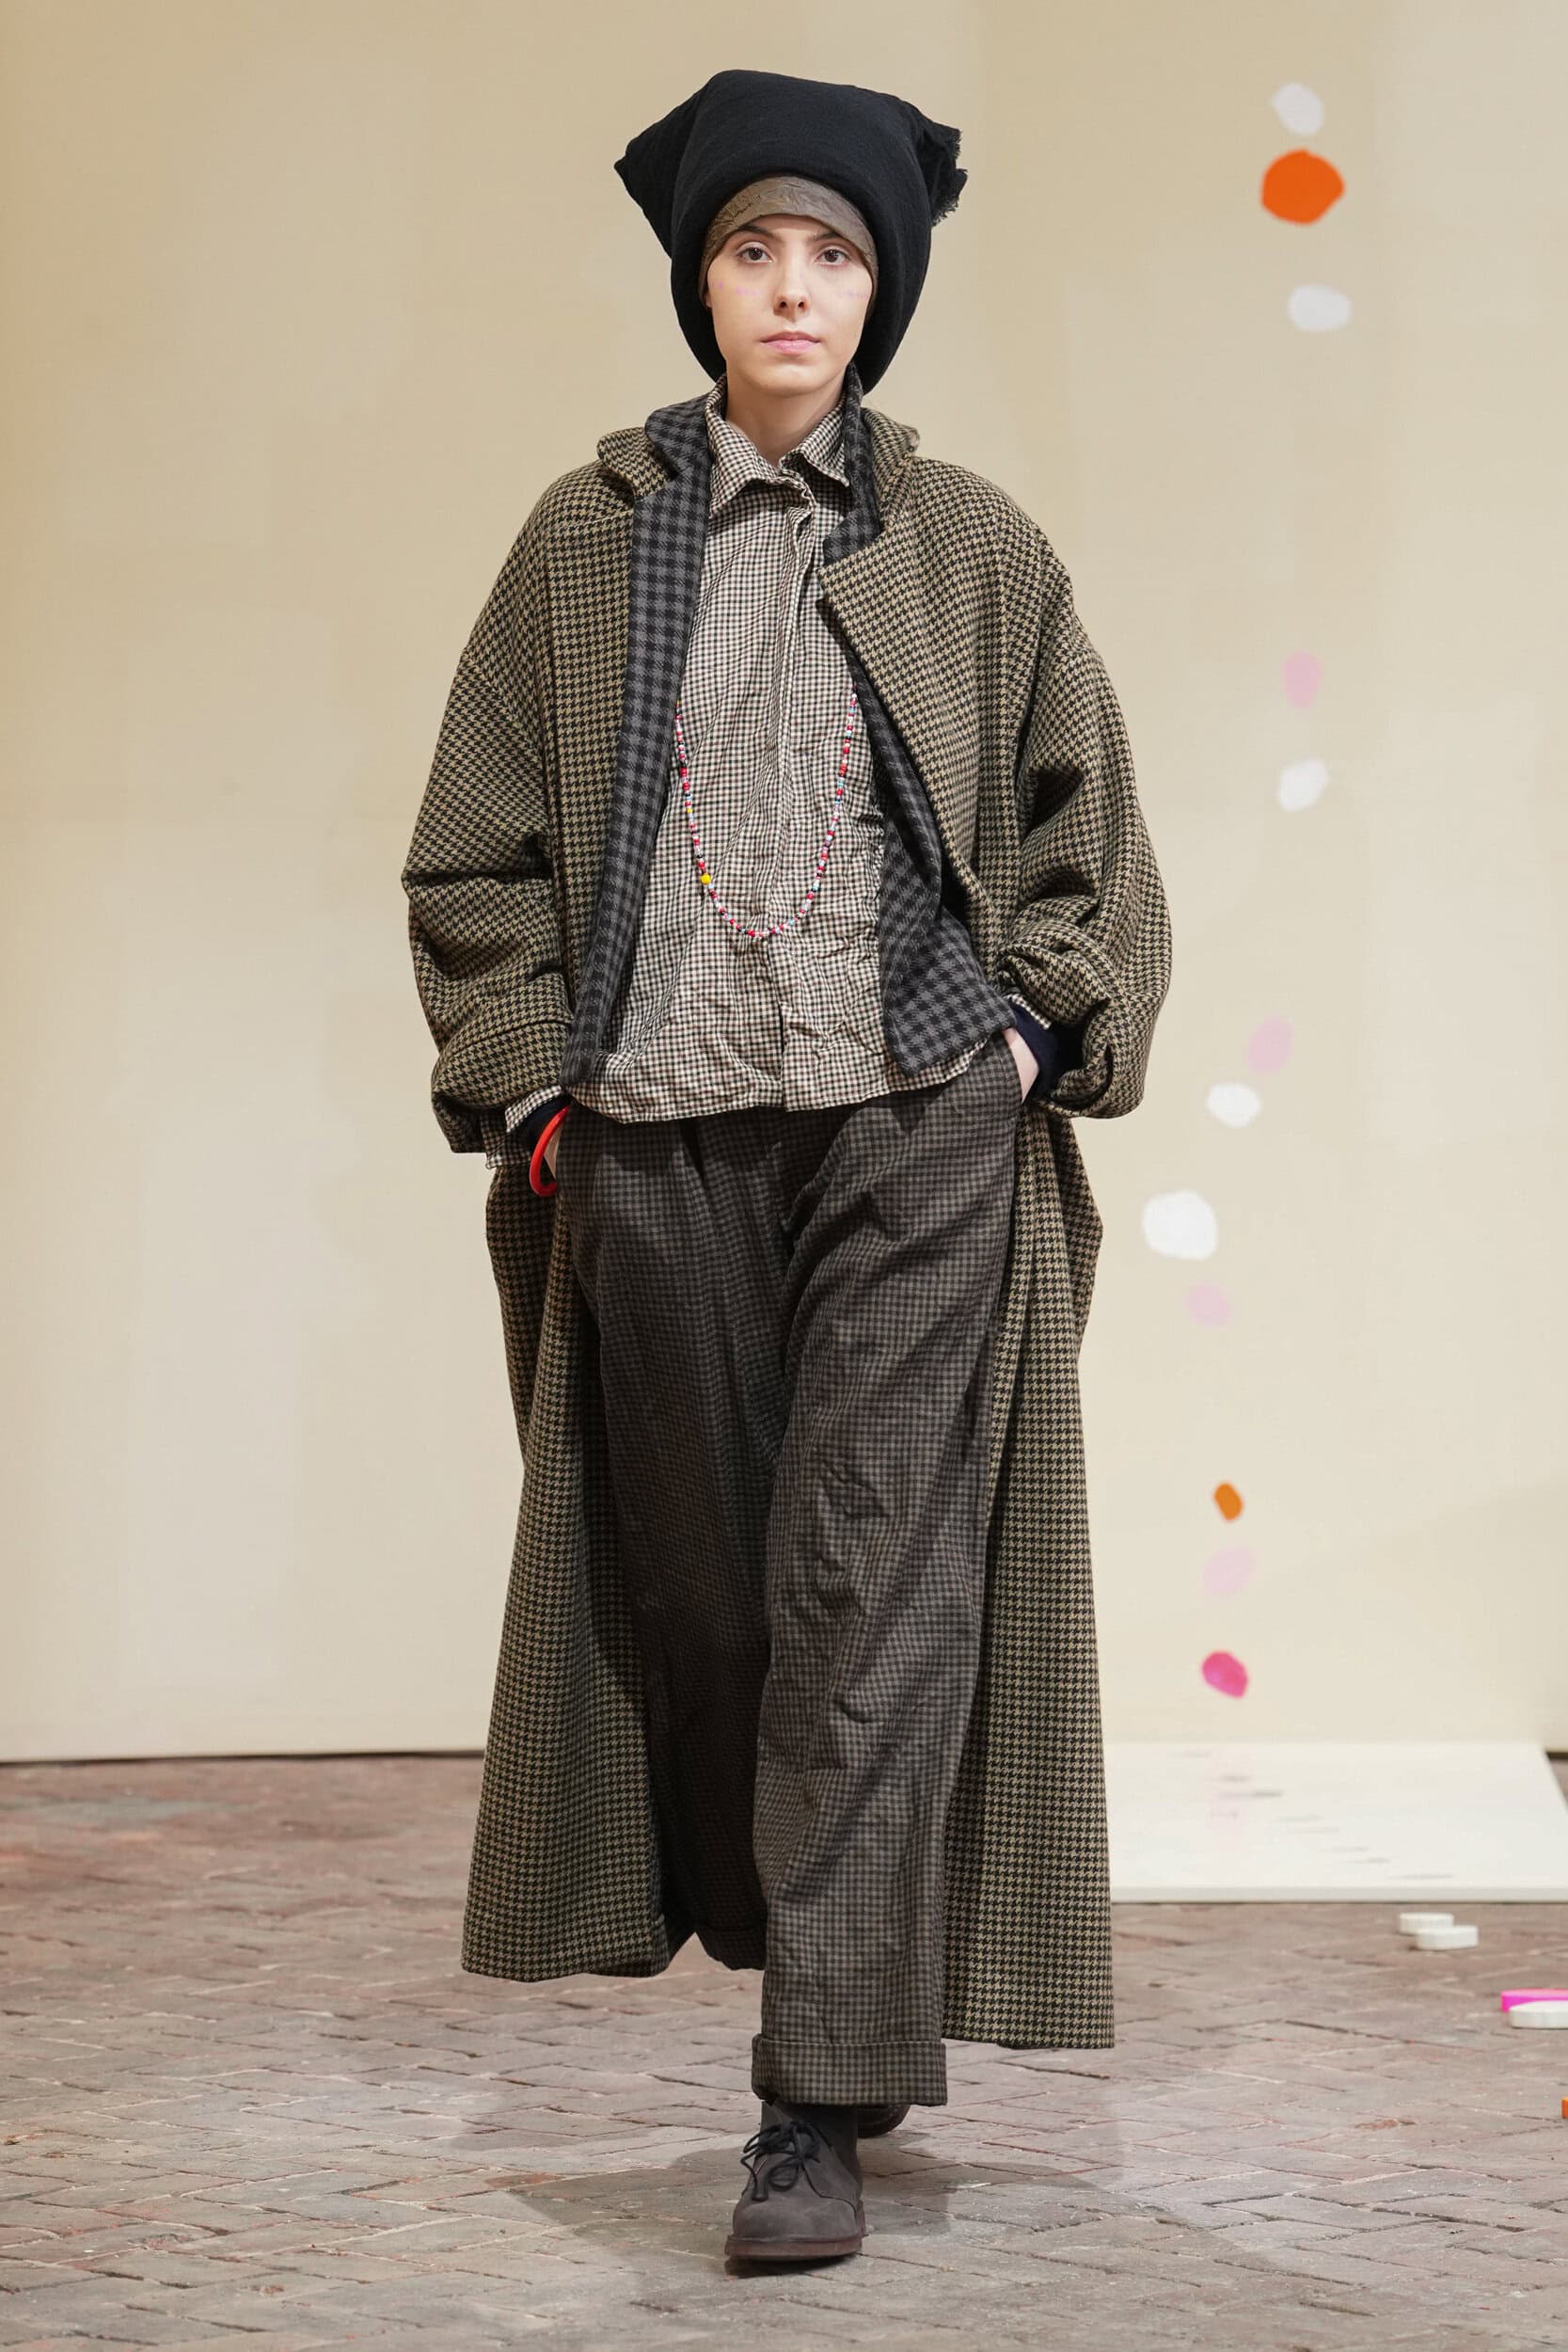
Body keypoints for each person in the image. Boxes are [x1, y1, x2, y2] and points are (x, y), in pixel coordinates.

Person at [402, 67, 1173, 2267]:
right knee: (716, 1599)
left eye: (834, 253)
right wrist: (540, 1085)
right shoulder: (587, 540)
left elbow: (1089, 838)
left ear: (881, 290)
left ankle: (809, 2100)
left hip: (913, 1122)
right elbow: (475, 853)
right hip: (653, 1133)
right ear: (702, 281)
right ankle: (831, 1971)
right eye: (755, 247)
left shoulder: (967, 544)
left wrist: (1019, 1033)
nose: (794, 289)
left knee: (865, 1592)